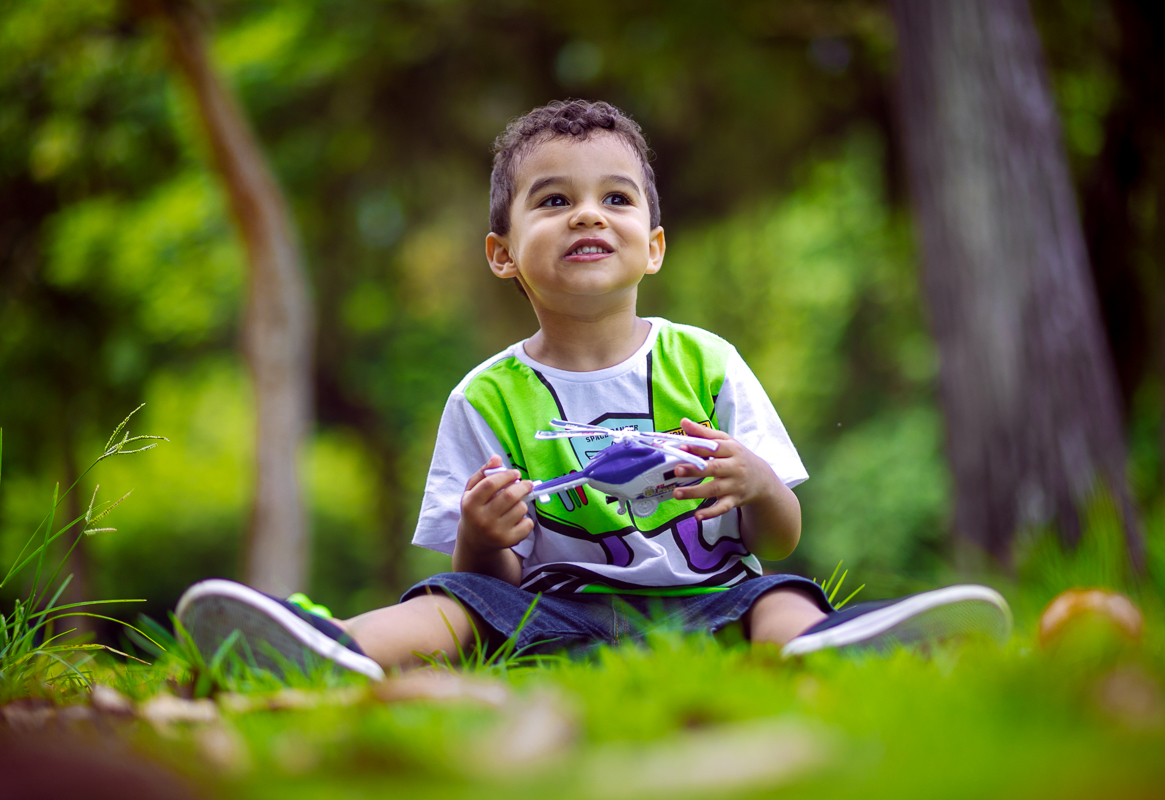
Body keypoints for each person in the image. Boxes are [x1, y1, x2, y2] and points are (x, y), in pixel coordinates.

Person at [176, 100, 1011, 680]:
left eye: (614, 198)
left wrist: (757, 484)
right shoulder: (486, 397)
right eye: (554, 200)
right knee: (449, 603)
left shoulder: (709, 364)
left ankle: (831, 649)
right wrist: (479, 530)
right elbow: (490, 580)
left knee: (778, 595)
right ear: (503, 252)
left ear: (651, 246)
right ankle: (329, 648)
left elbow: (782, 537)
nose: (587, 214)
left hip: (709, 608)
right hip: (550, 620)